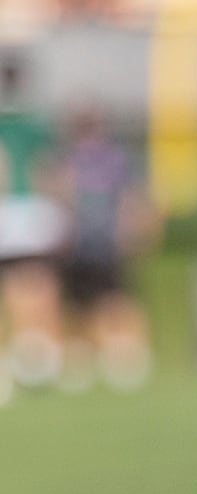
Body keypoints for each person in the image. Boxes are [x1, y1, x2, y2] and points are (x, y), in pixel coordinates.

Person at [53, 105, 154, 390]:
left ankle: (127, 356)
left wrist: (135, 230)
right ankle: (83, 361)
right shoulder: (67, 156)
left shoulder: (114, 157)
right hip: (78, 242)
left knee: (115, 301)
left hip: (105, 241)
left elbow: (132, 196)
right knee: (78, 304)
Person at [0, 48, 64, 402]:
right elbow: (49, 171)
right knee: (35, 280)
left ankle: (38, 352)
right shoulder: (35, 121)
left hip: (17, 209)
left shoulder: (31, 121)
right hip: (25, 209)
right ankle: (38, 354)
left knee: (28, 281)